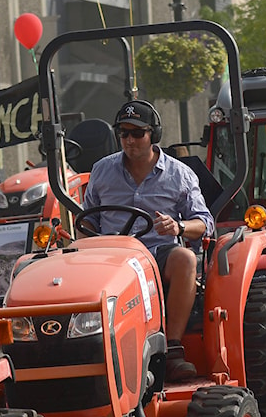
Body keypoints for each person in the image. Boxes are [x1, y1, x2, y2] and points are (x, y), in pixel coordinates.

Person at [81, 100, 214, 381]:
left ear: (153, 134)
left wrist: (177, 226)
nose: (129, 140)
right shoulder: (102, 171)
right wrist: (79, 240)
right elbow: (88, 221)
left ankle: (174, 348)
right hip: (111, 257)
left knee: (185, 258)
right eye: (123, 133)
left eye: (137, 133)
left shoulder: (179, 174)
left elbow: (204, 223)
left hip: (158, 254)